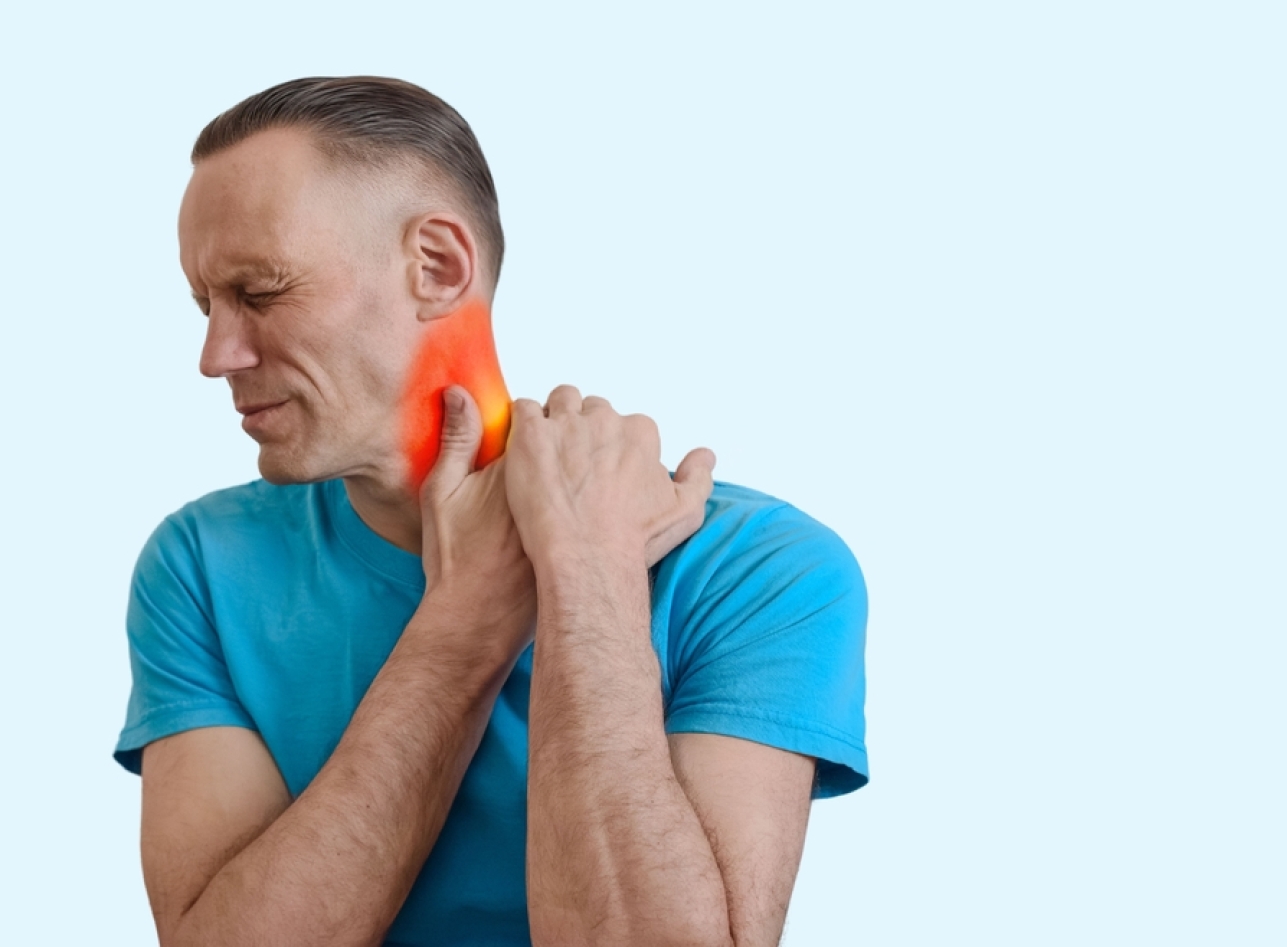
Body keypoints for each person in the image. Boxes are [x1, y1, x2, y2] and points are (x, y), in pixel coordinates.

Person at [115, 76, 868, 947]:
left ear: (437, 266)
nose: (216, 355)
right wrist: (465, 622)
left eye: (261, 291)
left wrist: (588, 575)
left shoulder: (760, 568)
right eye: (206, 304)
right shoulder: (204, 564)